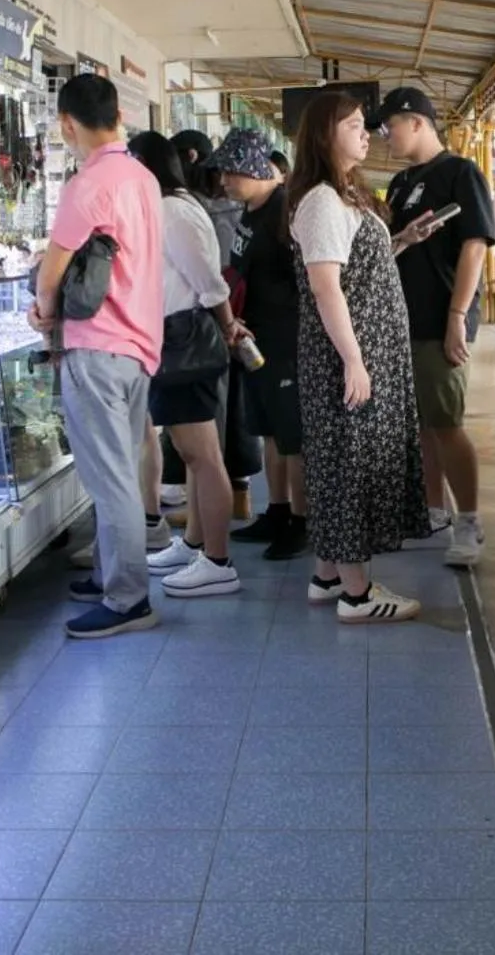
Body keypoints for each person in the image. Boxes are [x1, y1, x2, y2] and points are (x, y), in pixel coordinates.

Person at [29, 74, 164, 639]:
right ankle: (113, 574)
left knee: (111, 482)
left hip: (98, 348)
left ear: (67, 123)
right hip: (137, 348)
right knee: (120, 470)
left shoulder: (89, 184)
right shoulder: (142, 177)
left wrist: (42, 311)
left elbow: (53, 270)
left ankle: (128, 598)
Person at [289, 91, 428, 622]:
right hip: (346, 355)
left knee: (338, 462)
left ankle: (329, 573)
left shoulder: (341, 195)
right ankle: (357, 593)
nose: (365, 132)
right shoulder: (323, 199)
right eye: (352, 125)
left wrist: (401, 241)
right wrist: (353, 359)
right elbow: (327, 287)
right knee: (349, 463)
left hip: (361, 350)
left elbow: (350, 266)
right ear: (326, 135)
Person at [377, 87, 495, 570]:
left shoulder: (460, 172)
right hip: (404, 316)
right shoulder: (402, 183)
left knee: (447, 422)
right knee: (421, 424)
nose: (386, 138)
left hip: (441, 316)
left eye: (390, 128)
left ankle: (468, 521)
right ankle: (432, 511)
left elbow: (475, 246)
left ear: (418, 121)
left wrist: (456, 317)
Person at [126, 132, 246, 598]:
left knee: (203, 455)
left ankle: (218, 560)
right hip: (172, 337)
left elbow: (207, 280)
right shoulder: (168, 205)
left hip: (186, 339)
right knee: (193, 454)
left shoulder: (173, 210)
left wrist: (229, 323)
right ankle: (196, 543)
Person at [210, 127, 310, 562]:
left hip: (288, 341)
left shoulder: (287, 211)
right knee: (269, 431)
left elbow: (310, 281)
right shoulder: (250, 210)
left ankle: (304, 522)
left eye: (231, 173)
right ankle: (279, 508)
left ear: (253, 168)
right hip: (255, 341)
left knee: (295, 437)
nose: (224, 182)